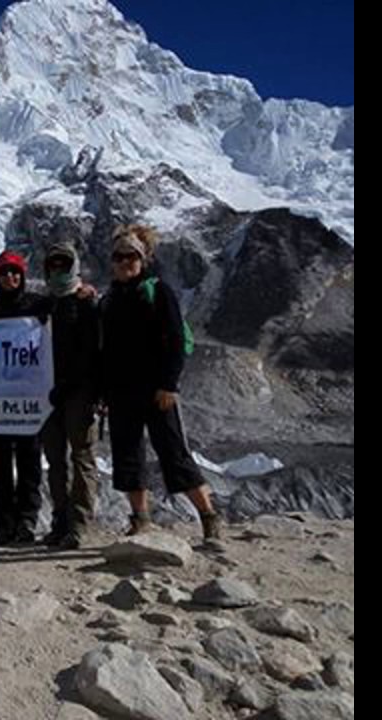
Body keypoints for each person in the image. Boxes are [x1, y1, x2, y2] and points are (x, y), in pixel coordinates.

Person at [100, 224, 222, 540]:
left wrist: (169, 384)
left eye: (131, 256)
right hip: (121, 392)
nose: (125, 261)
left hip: (157, 390)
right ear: (112, 260)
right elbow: (105, 350)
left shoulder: (159, 291)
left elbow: (176, 339)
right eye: (119, 256)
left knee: (173, 452)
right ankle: (140, 519)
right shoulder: (109, 298)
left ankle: (208, 516)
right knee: (128, 456)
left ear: (143, 259)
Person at [0, 250, 47, 545]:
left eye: (14, 272)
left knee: (29, 463)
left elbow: (67, 311)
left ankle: (27, 521)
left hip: (28, 399)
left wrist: (83, 292)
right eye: (3, 273)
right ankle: (3, 524)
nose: (9, 277)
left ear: (23, 275)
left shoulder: (40, 305)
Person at [39, 242, 102, 549]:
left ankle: (79, 525)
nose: (58, 269)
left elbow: (94, 350)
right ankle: (60, 520)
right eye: (53, 264)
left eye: (64, 264)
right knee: (55, 461)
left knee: (82, 457)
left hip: (79, 392)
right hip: (49, 395)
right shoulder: (44, 305)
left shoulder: (86, 302)